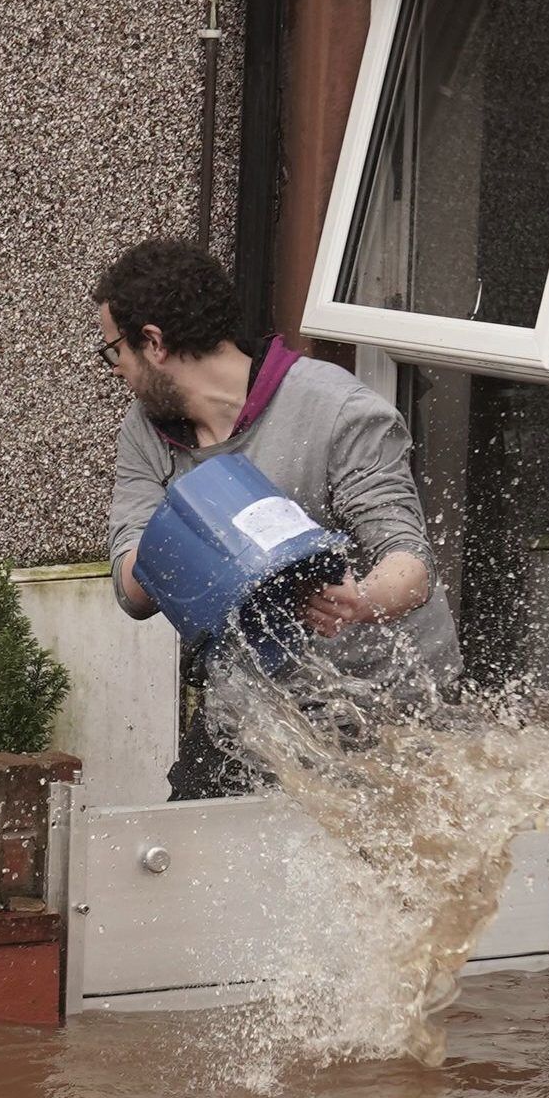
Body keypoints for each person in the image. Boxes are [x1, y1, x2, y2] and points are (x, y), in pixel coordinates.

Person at [96, 237, 458, 801]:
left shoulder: (336, 409)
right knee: (190, 865)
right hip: (253, 703)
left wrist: (360, 600)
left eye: (113, 351)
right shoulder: (146, 432)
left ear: (154, 342)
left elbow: (410, 564)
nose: (115, 370)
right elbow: (133, 591)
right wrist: (201, 535)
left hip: (383, 700)